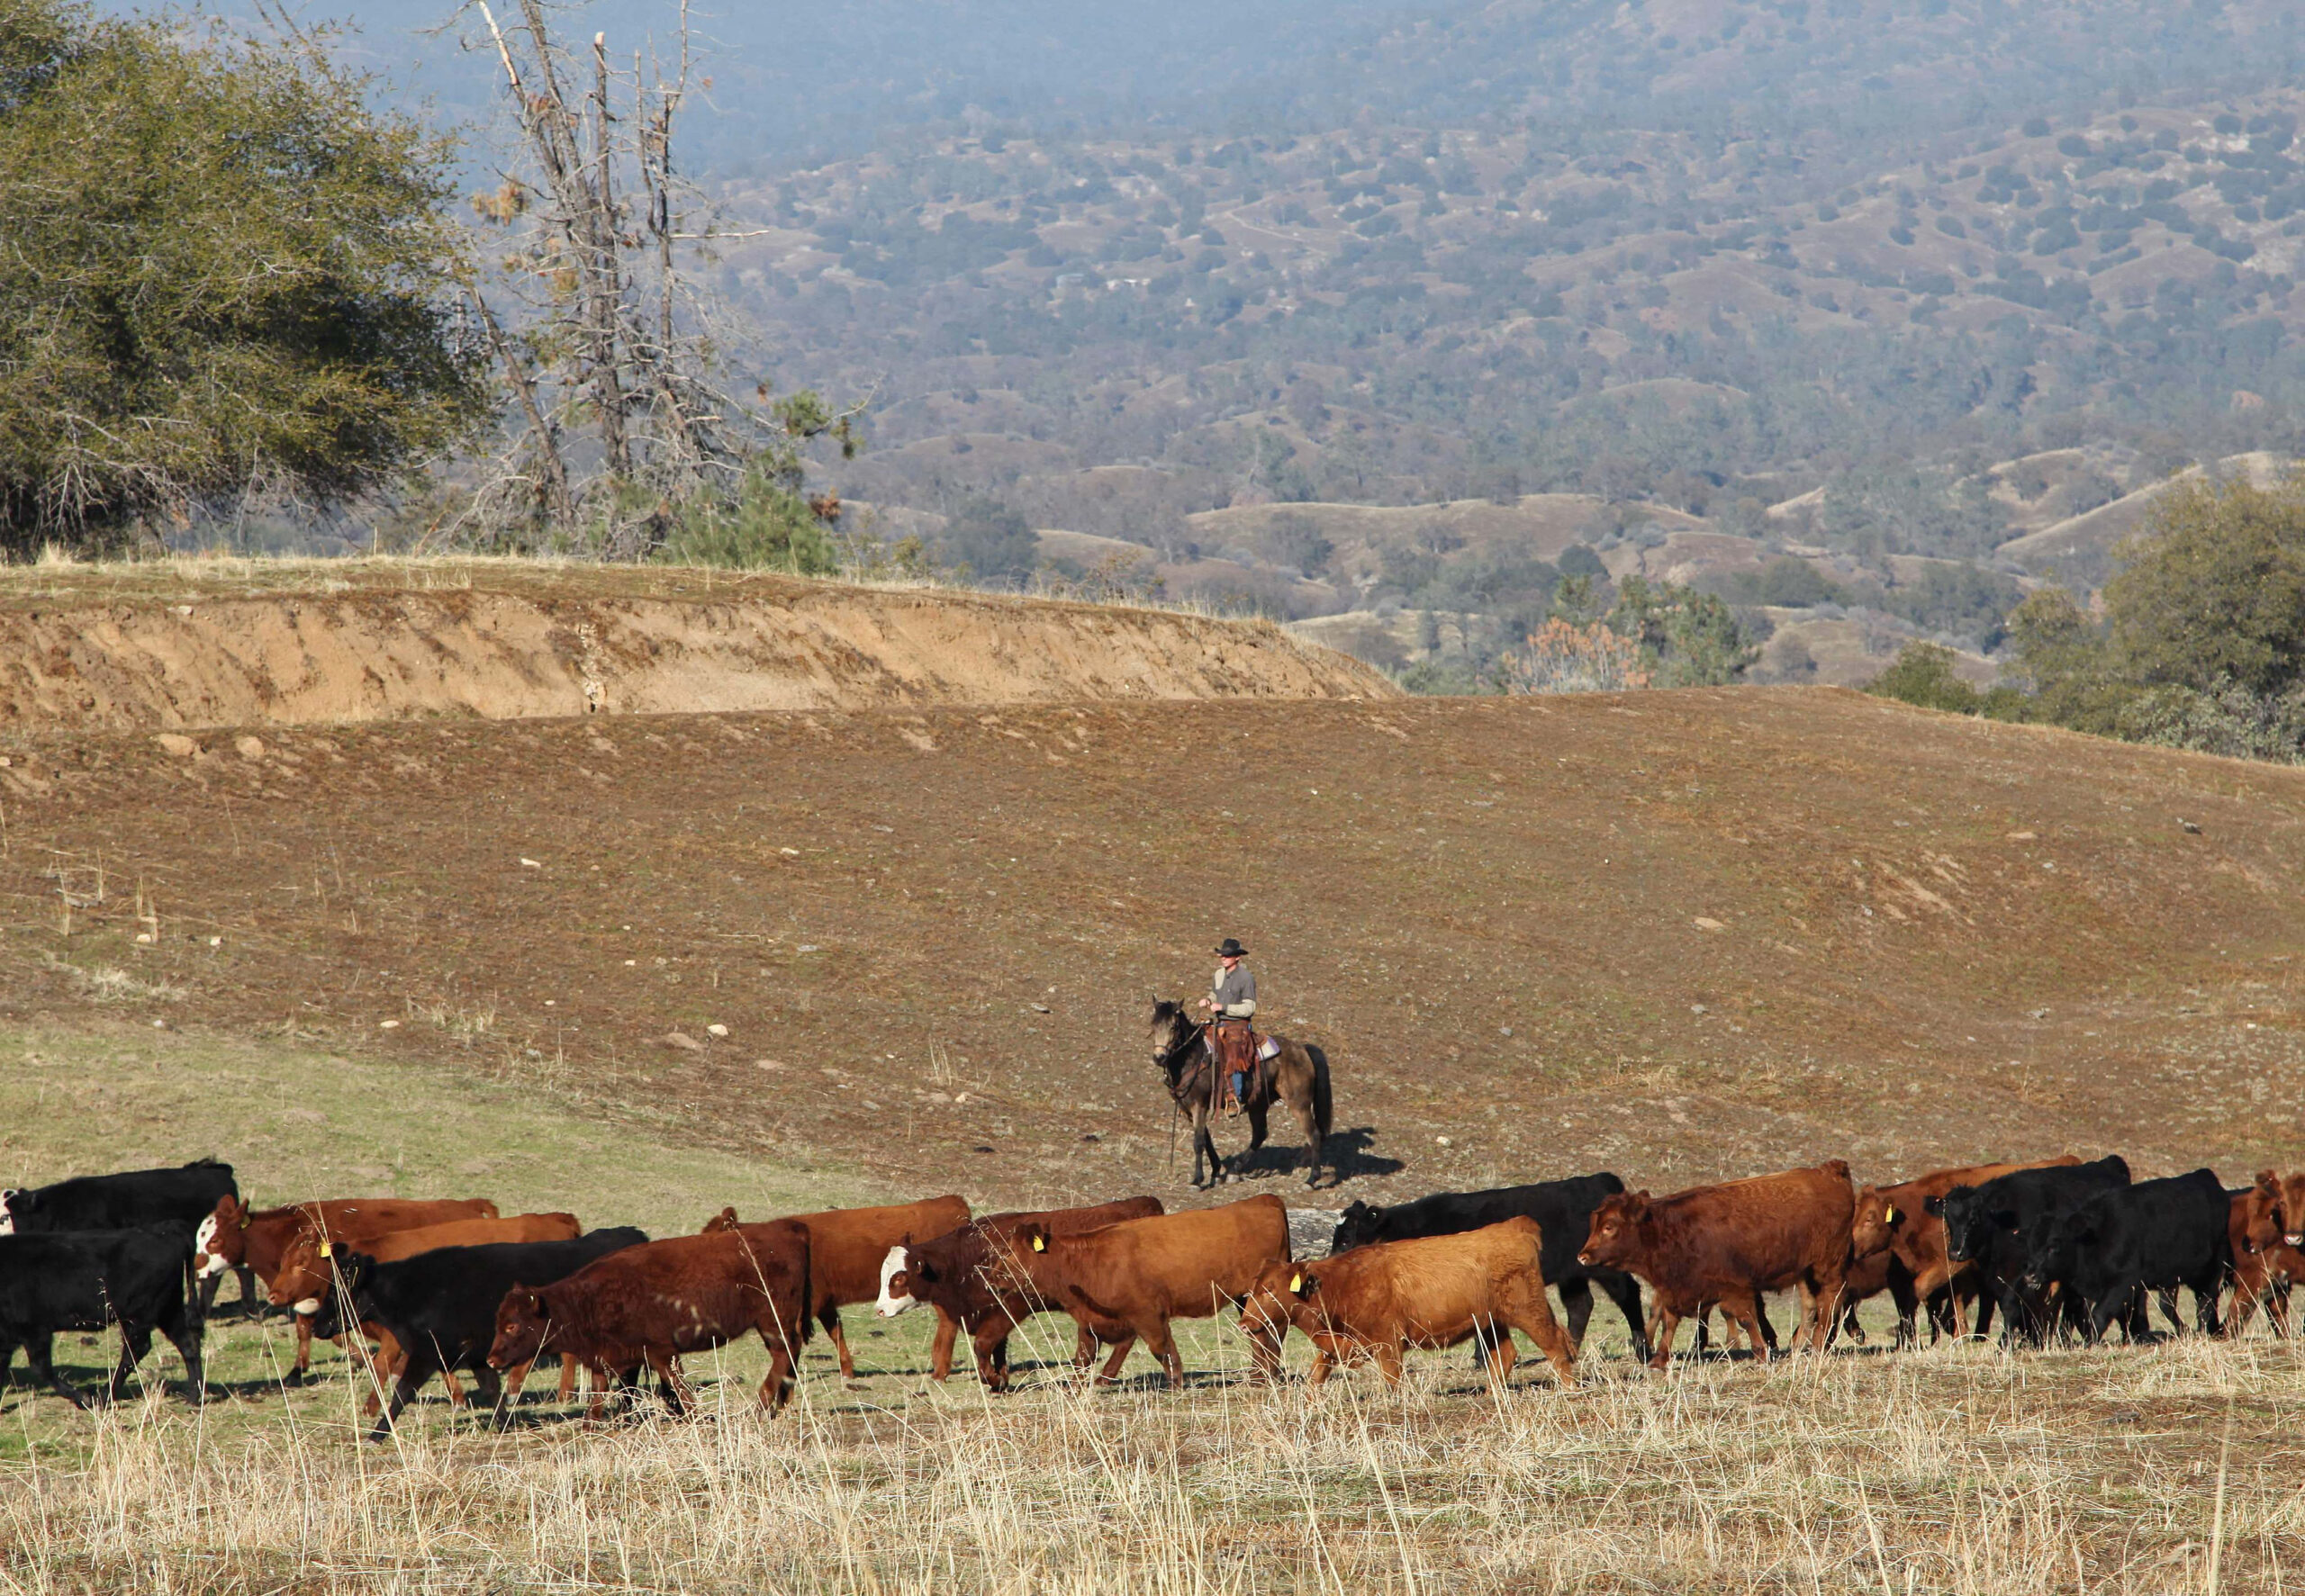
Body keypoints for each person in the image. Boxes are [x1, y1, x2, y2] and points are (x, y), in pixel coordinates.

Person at [1198, 937, 1258, 1116]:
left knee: (1233, 1052)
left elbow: (1250, 1008)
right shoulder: (1218, 974)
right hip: (1220, 1022)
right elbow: (1215, 994)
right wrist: (1208, 1000)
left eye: (1227, 955)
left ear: (1237, 957)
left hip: (1238, 1024)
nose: (1223, 958)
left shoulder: (1246, 978)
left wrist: (1223, 1007)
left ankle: (1233, 1098)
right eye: (1222, 955)